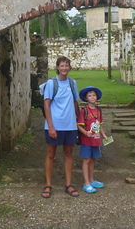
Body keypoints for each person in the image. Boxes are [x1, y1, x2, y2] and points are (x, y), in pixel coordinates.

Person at [42, 56, 80, 198]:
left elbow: (75, 102)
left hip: (69, 125)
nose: (64, 68)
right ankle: (48, 184)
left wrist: (80, 120)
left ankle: (68, 184)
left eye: (67, 65)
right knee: (51, 154)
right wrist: (51, 126)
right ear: (57, 67)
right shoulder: (52, 83)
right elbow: (46, 104)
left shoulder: (72, 83)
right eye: (62, 66)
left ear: (70, 67)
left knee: (69, 154)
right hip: (55, 125)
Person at [77, 85, 108, 194]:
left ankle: (91, 180)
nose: (92, 97)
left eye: (94, 95)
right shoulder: (84, 111)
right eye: (89, 95)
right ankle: (86, 183)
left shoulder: (98, 111)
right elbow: (79, 125)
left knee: (93, 160)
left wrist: (103, 135)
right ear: (86, 98)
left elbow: (99, 125)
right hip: (86, 140)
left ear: (97, 97)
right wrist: (86, 132)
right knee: (86, 160)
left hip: (95, 140)